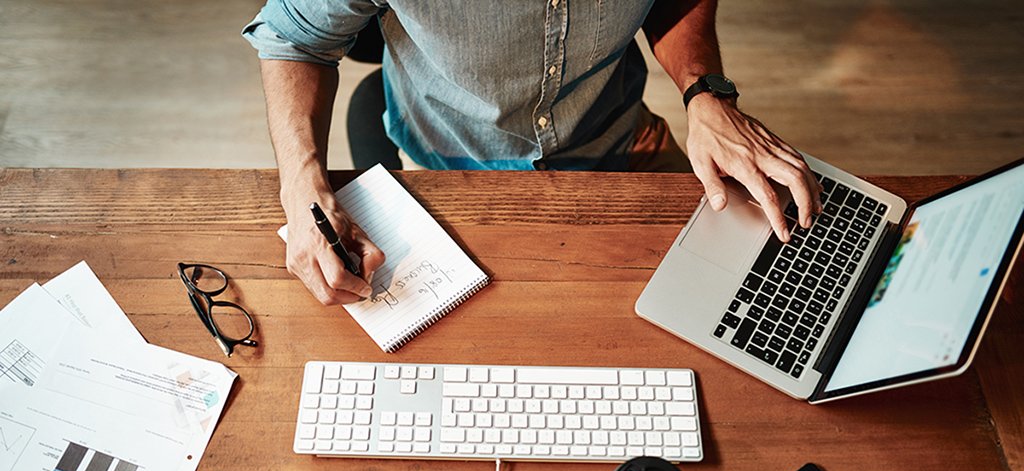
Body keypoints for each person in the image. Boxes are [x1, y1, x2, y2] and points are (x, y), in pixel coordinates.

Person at [242, 0, 822, 306]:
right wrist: (300, 186)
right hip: (448, 165)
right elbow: (294, 36)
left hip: (618, 136)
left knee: (762, 280)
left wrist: (703, 91)